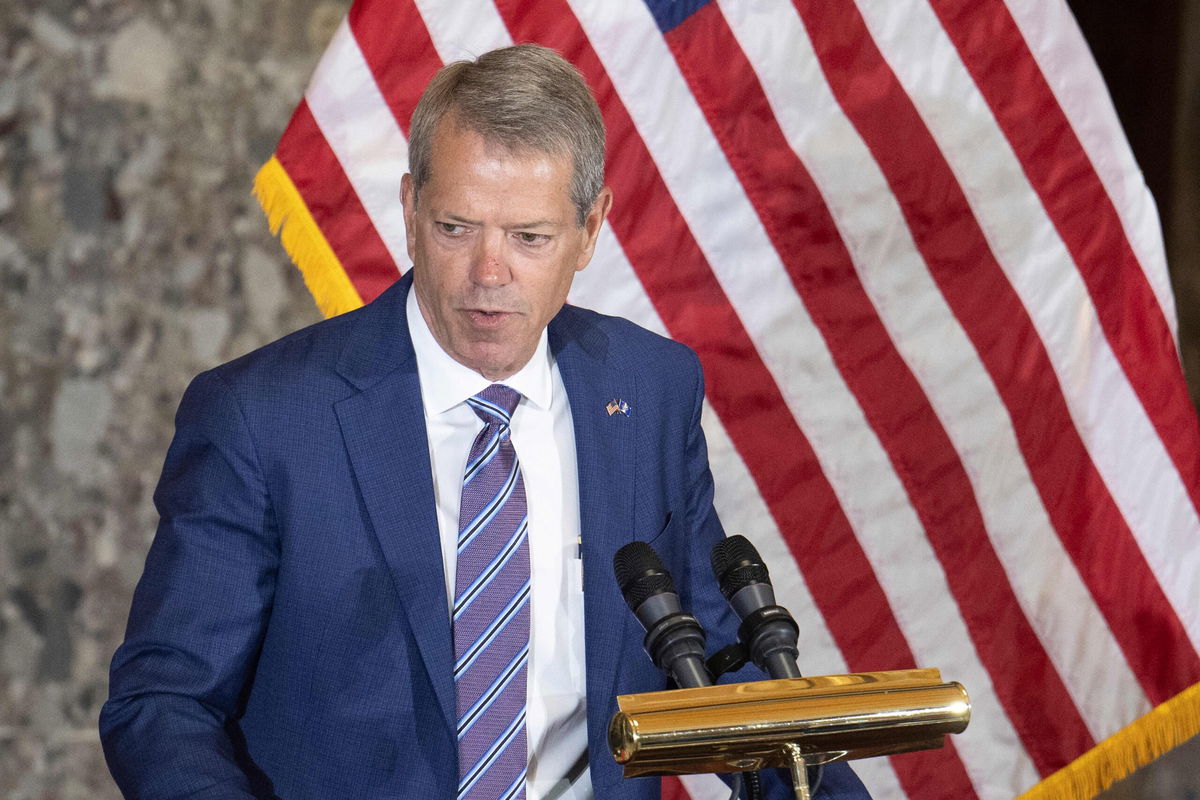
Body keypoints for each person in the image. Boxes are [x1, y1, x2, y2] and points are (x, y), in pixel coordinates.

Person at [100, 45, 871, 800]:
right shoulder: (265, 417)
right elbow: (164, 704)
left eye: (529, 238)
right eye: (457, 228)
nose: (489, 274)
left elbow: (722, 660)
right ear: (409, 208)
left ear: (590, 229)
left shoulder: (648, 390)